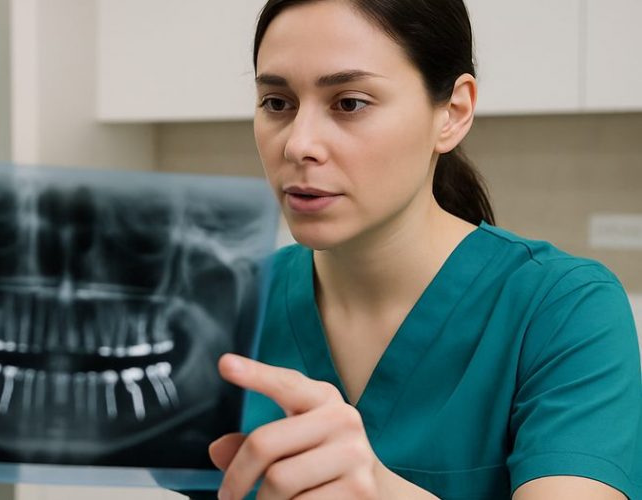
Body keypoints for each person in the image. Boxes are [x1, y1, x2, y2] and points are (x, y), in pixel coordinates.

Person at [201, 0, 642, 499]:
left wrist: (377, 489)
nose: (298, 144)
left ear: (453, 112)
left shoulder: (564, 309)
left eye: (349, 103)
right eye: (277, 103)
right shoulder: (224, 306)